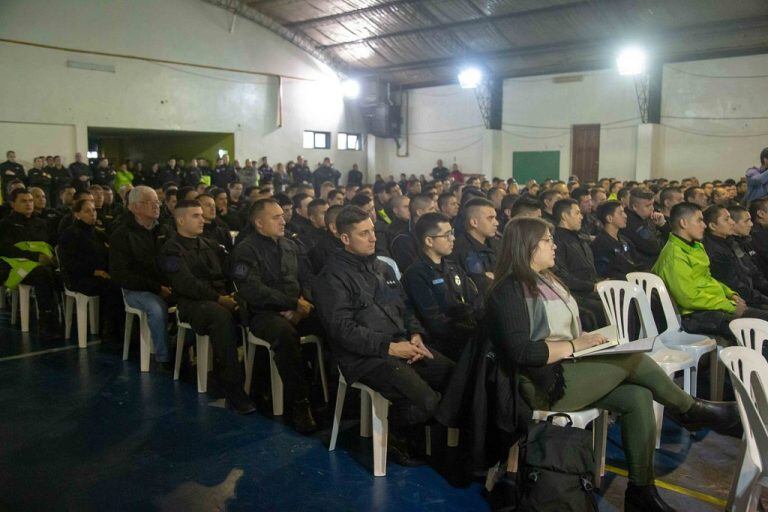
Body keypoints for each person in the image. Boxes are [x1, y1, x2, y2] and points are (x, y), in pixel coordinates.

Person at [488, 216, 739, 512]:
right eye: (547, 240)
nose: (554, 246)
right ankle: (689, 409)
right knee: (632, 358)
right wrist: (573, 345)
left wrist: (586, 339)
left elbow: (557, 330)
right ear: (527, 246)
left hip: (570, 368)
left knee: (637, 396)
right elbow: (522, 352)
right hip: (543, 384)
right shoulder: (510, 289)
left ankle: (641, 492)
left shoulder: (547, 280)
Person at [313, 206, 455, 465]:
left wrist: (414, 334)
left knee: (452, 375)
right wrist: (389, 347)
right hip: (365, 357)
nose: (373, 238)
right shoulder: (331, 277)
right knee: (426, 399)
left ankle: (416, 431)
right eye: (364, 233)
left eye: (373, 231)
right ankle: (398, 436)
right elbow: (342, 330)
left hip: (401, 345)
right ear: (345, 239)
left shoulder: (383, 269)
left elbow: (406, 307)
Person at [159, 200, 256, 414]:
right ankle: (233, 390)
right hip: (193, 305)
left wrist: (240, 284)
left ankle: (257, 377)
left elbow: (233, 267)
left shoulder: (209, 244)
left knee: (253, 306)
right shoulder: (171, 251)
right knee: (221, 317)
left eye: (202, 215)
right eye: (196, 216)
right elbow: (185, 284)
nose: (202, 220)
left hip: (219, 298)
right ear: (181, 220)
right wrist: (219, 299)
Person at [232, 198, 319, 433]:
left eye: (283, 215)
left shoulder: (290, 245)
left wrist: (304, 304)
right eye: (276, 217)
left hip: (297, 309)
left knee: (330, 321)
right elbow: (252, 290)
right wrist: (292, 303)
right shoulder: (246, 249)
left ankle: (326, 387)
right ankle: (299, 403)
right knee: (283, 333)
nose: (283, 220)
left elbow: (308, 278)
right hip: (263, 314)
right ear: (259, 223)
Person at [653, 202, 768, 340]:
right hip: (695, 316)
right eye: (699, 220)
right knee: (760, 330)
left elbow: (708, 278)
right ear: (683, 223)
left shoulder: (695, 246)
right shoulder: (673, 256)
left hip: (713, 307)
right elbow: (688, 298)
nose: (704, 225)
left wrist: (730, 294)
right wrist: (730, 306)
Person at [109, 186, 174, 371]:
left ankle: (180, 346)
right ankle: (163, 358)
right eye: (149, 203)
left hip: (166, 285)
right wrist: (156, 287)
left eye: (157, 202)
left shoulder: (165, 230)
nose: (156, 206)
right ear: (135, 207)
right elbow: (121, 275)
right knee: (157, 307)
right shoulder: (122, 235)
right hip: (137, 289)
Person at [402, 213, 482, 362]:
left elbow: (475, 299)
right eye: (446, 235)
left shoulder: (453, 267)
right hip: (443, 343)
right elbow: (434, 321)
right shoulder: (416, 274)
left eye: (452, 233)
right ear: (429, 241)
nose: (453, 238)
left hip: (467, 333)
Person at [57, 198, 123, 339]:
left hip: (101, 273)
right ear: (77, 214)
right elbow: (69, 262)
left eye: (94, 210)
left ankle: (118, 327)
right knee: (113, 287)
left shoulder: (97, 233)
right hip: (79, 277)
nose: (93, 214)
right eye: (87, 211)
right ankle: (110, 330)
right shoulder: (70, 234)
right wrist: (94, 271)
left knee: (122, 282)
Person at [0, 188, 61, 339]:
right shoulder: (5, 224)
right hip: (16, 266)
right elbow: (6, 249)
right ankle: (47, 322)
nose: (29, 204)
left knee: (59, 273)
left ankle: (61, 316)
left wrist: (54, 258)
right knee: (43, 274)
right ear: (13, 204)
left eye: (30, 201)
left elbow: (51, 243)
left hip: (42, 264)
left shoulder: (42, 223)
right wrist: (35, 257)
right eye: (24, 201)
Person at [551, 198, 606, 329]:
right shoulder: (558, 241)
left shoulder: (578, 237)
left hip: (590, 289)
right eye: (577, 213)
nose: (581, 217)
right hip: (576, 293)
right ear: (564, 216)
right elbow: (562, 276)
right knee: (605, 307)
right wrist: (592, 286)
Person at [702, 205, 768, 307]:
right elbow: (735, 286)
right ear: (712, 226)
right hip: (741, 301)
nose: (732, 222)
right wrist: (764, 299)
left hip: (752, 295)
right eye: (726, 219)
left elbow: (752, 272)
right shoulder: (714, 252)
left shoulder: (731, 242)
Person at [452, 198, 499, 296]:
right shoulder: (460, 249)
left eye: (495, 218)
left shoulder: (496, 243)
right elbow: (478, 285)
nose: (496, 223)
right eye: (490, 218)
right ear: (474, 222)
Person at [591, 200, 644, 279]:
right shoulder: (600, 244)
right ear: (609, 218)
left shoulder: (624, 240)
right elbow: (605, 273)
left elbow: (638, 262)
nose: (625, 216)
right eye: (620, 213)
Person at [390, 194, 436, 273]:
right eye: (431, 209)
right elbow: (411, 269)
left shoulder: (434, 231)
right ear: (419, 212)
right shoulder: (403, 239)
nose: (435, 212)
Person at [621, 188, 666, 269]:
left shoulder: (643, 216)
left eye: (652, 204)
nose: (652, 208)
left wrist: (662, 225)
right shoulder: (631, 223)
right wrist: (660, 228)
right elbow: (654, 248)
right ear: (635, 206)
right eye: (648, 205)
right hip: (643, 268)